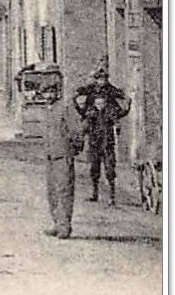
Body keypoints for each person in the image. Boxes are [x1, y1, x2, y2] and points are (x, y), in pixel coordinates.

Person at [73, 66, 130, 205]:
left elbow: (121, 101)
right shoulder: (91, 98)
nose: (101, 81)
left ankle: (112, 196)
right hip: (95, 140)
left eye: (104, 79)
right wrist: (77, 99)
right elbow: (81, 96)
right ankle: (95, 193)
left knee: (110, 168)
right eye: (99, 79)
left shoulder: (110, 95)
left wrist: (127, 103)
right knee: (95, 167)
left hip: (107, 141)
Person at [43, 88, 86, 238]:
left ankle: (64, 227)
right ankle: (56, 223)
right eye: (45, 93)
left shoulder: (66, 108)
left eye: (50, 92)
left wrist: (74, 148)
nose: (48, 96)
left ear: (57, 93)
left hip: (63, 155)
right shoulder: (49, 110)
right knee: (52, 192)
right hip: (51, 155)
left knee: (64, 191)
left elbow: (77, 130)